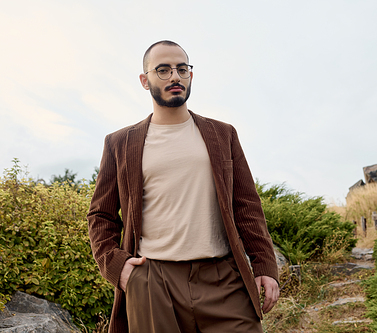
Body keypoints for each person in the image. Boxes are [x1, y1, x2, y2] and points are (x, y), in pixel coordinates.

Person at [87, 40, 279, 333]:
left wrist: (265, 266)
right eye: (162, 70)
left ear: (191, 75)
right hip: (152, 282)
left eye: (181, 69)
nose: (174, 76)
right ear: (144, 80)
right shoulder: (120, 143)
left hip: (224, 279)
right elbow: (100, 215)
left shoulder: (222, 134)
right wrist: (117, 267)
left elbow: (247, 207)